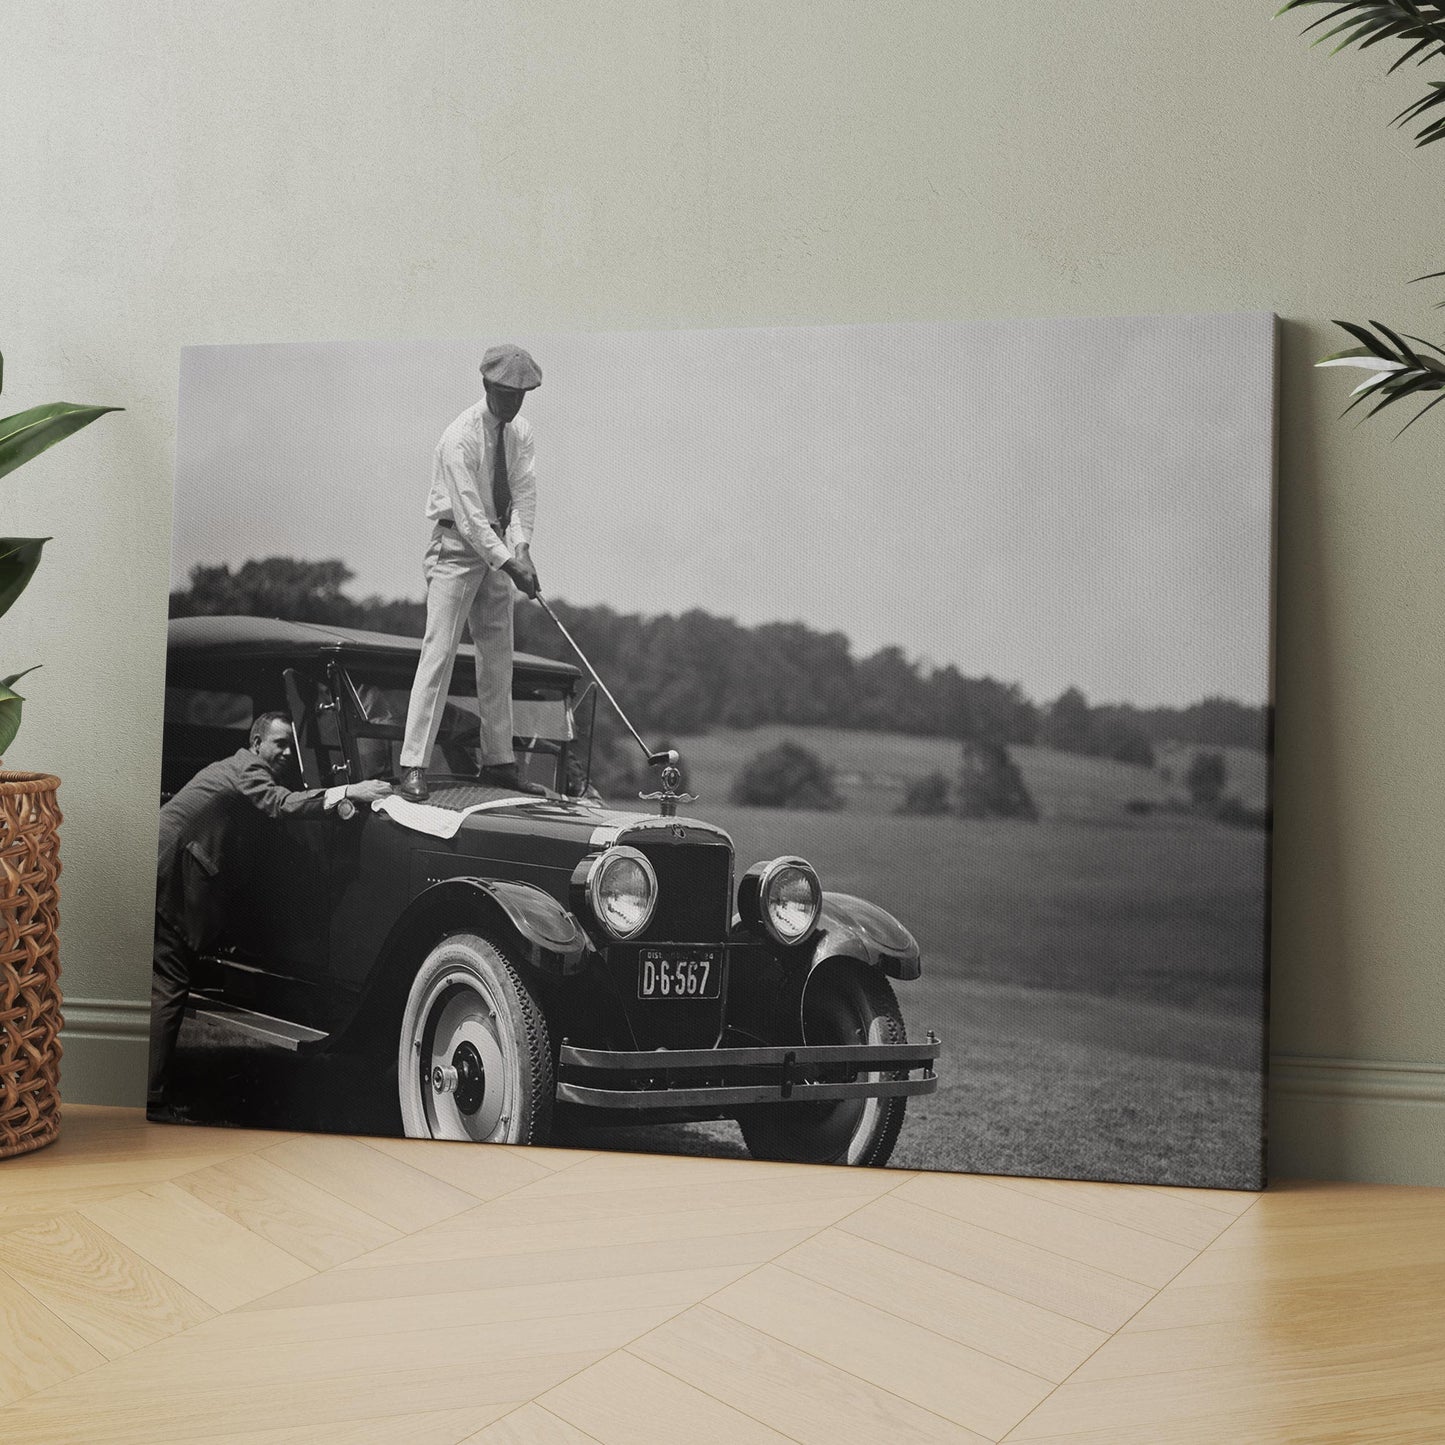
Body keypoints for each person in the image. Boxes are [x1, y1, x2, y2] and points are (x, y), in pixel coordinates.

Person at [148, 712, 391, 1112]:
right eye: (278, 743)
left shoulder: (238, 768)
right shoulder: (248, 768)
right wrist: (352, 789)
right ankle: (153, 1100)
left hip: (163, 870)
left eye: (290, 745)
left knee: (161, 984)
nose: (285, 752)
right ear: (257, 741)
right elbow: (279, 805)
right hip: (169, 878)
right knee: (169, 987)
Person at [398, 344, 547, 802]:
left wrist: (522, 548)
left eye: (523, 394)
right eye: (507, 393)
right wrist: (509, 562)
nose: (515, 402)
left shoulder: (520, 431)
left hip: (499, 546)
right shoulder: (458, 437)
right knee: (439, 653)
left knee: (498, 658)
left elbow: (521, 496)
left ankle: (499, 762)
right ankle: (412, 765)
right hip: (455, 549)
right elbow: (468, 517)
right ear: (487, 386)